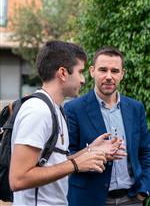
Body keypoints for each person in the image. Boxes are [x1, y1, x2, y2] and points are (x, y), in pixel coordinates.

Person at [9, 41, 122, 206]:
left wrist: (90, 150)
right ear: (63, 73)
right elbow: (17, 179)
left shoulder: (55, 110)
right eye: (80, 72)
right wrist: (76, 164)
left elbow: (55, 163)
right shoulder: (38, 111)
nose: (83, 80)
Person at [64, 46, 150, 206]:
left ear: (122, 74)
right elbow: (66, 155)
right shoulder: (73, 109)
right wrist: (95, 153)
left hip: (132, 199)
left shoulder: (136, 108)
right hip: (89, 199)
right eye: (103, 70)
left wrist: (144, 190)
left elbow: (145, 151)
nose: (109, 76)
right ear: (92, 71)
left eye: (115, 71)